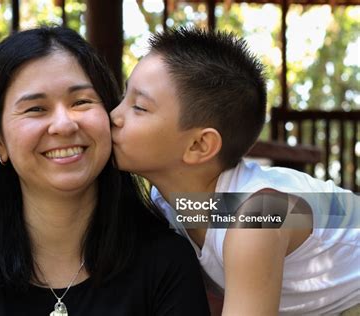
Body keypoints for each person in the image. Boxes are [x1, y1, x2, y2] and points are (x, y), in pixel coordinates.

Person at [0, 26, 210, 315]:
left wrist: (254, 219)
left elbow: (253, 212)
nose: (64, 124)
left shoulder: (166, 258)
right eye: (36, 108)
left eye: (81, 101)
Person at [111, 26, 360, 315]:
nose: (114, 116)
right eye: (123, 97)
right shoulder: (165, 203)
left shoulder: (257, 216)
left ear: (199, 145)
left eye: (139, 107)